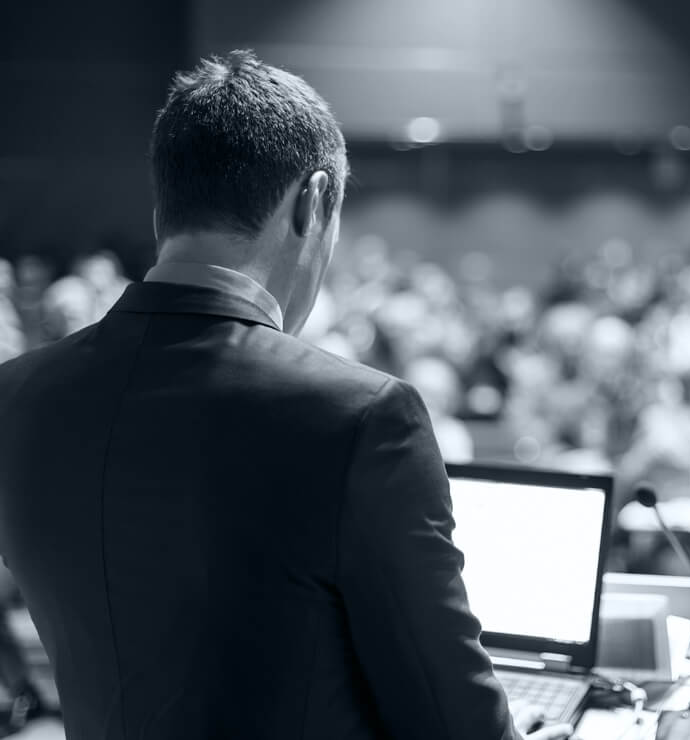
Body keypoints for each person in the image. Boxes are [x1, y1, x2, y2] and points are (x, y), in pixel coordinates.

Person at [0, 51, 572, 740]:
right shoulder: (361, 417)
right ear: (315, 200)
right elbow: (461, 727)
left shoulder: (18, 397)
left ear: (162, 213)